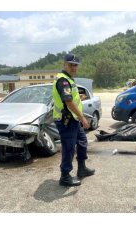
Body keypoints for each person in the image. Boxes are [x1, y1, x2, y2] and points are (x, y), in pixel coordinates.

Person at [52, 53, 95, 187]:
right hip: (66, 120)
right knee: (69, 148)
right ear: (64, 64)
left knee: (82, 142)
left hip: (73, 119)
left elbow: (71, 99)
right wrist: (83, 118)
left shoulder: (69, 80)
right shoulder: (63, 80)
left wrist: (79, 98)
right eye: (71, 65)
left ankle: (82, 169)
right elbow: (68, 102)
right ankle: (65, 177)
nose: (73, 67)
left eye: (75, 65)